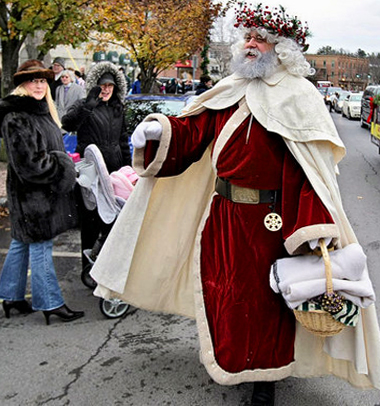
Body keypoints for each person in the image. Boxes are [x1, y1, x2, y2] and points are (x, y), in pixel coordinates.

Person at [90, 3, 380, 404]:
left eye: (260, 38)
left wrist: (313, 229)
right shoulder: (231, 90)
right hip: (223, 216)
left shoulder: (299, 96)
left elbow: (310, 174)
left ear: (280, 48)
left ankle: (264, 381)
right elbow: (193, 132)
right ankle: (233, 362)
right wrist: (159, 128)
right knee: (223, 293)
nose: (251, 44)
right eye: (247, 36)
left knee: (264, 306)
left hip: (268, 225)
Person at [0, 59, 83, 325]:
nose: (39, 85)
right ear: (22, 85)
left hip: (34, 195)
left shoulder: (40, 111)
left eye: (43, 80)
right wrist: (62, 165)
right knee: (40, 245)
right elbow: (31, 165)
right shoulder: (17, 116)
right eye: (33, 80)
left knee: (21, 243)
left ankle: (11, 297)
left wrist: (61, 157)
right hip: (33, 197)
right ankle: (50, 303)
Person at [61, 61, 132, 274]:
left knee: (112, 220)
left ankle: (105, 267)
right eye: (102, 85)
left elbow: (122, 140)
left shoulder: (118, 109)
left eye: (110, 85)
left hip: (113, 171)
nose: (106, 89)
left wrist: (127, 170)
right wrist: (88, 105)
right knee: (90, 220)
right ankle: (88, 270)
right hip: (90, 171)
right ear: (95, 86)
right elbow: (67, 123)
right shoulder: (86, 105)